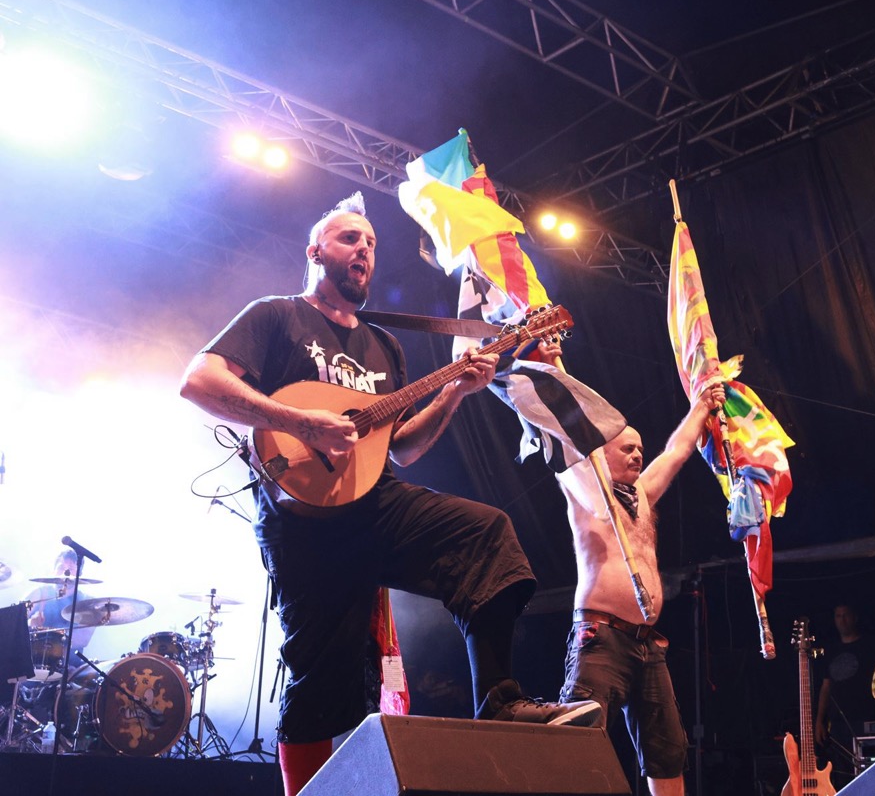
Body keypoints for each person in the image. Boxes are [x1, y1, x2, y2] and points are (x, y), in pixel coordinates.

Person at [179, 193, 600, 796]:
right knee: (325, 679)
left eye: (372, 244)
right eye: (350, 238)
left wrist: (455, 393)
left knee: (484, 534)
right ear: (315, 251)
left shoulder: (386, 346)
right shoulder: (276, 316)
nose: (364, 251)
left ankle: (501, 700)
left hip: (376, 503)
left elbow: (401, 447)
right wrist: (300, 422)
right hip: (302, 522)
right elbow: (199, 381)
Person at [550, 344, 724, 796]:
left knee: (668, 749)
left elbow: (678, 450)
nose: (637, 455)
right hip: (601, 636)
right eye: (626, 448)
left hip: (647, 644)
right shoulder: (583, 488)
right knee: (579, 738)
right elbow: (566, 427)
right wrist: (550, 366)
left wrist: (702, 406)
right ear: (602, 453)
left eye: (640, 449)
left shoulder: (643, 495)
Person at [814, 603, 875, 789]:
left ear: (854, 617)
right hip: (838, 724)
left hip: (866, 719)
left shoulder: (869, 647)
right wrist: (819, 721)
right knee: (842, 773)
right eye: (838, 616)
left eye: (846, 615)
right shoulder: (831, 651)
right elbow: (826, 687)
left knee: (868, 772)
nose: (842, 620)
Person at [25, 549, 96, 672]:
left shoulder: (87, 602)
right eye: (61, 567)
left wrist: (43, 632)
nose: (65, 573)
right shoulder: (40, 593)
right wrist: (29, 625)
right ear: (54, 570)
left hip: (69, 667)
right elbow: (14, 623)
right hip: (32, 664)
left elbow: (83, 640)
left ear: (79, 575)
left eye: (71, 569)